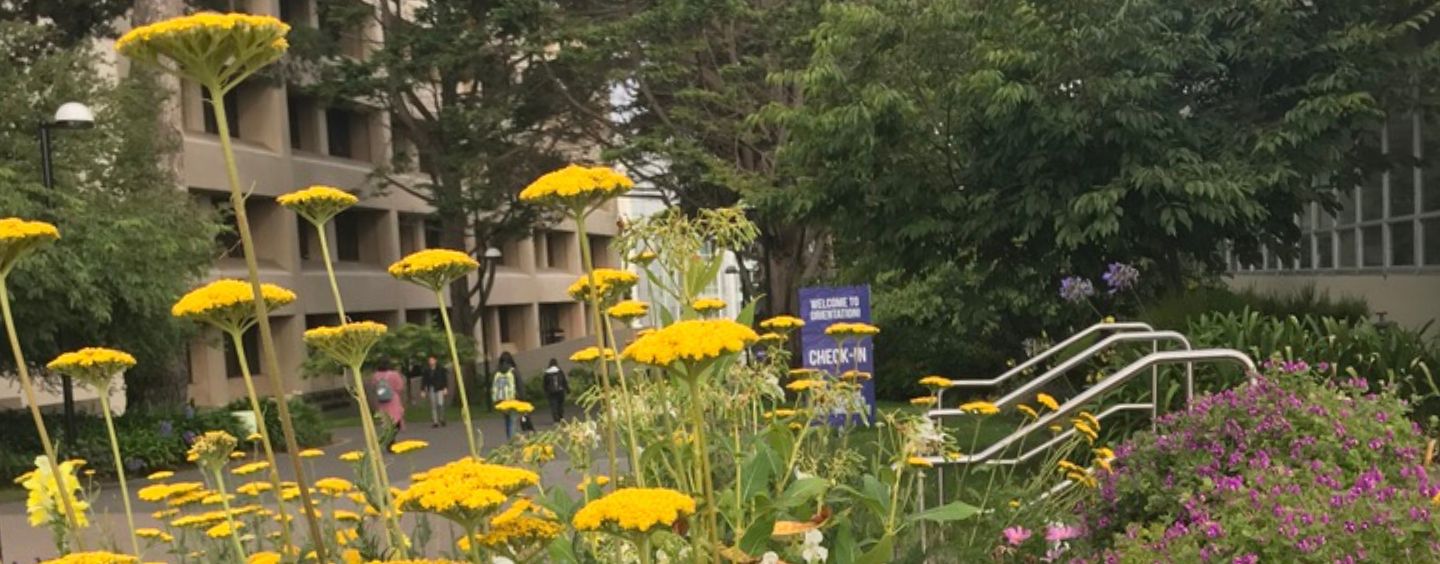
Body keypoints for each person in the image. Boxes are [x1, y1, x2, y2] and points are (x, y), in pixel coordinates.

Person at [372, 359, 406, 448]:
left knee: (386, 421)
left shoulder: (376, 375)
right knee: (396, 420)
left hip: (382, 401)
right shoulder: (394, 374)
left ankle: (388, 439)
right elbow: (400, 387)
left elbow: (374, 386)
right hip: (393, 400)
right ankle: (390, 441)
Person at [491, 352, 518, 440]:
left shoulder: (497, 373)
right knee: (512, 420)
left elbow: (494, 387)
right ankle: (511, 440)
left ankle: (509, 438)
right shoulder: (512, 371)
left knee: (507, 420)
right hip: (511, 399)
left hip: (500, 400)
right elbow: (518, 386)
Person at [420, 355, 450, 428]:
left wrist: (445, 388)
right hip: (432, 388)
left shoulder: (440, 369)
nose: (431, 362)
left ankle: (442, 418)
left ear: (435, 361)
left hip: (440, 388)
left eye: (432, 360)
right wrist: (423, 390)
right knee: (433, 405)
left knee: (441, 403)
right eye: (430, 360)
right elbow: (424, 380)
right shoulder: (427, 370)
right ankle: (435, 421)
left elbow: (444, 379)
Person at [542, 358, 569, 423]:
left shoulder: (547, 373)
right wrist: (568, 389)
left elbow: (545, 384)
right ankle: (561, 417)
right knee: (560, 405)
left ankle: (556, 419)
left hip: (551, 392)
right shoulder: (559, 371)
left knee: (553, 406)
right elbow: (564, 381)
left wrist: (545, 392)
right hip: (560, 391)